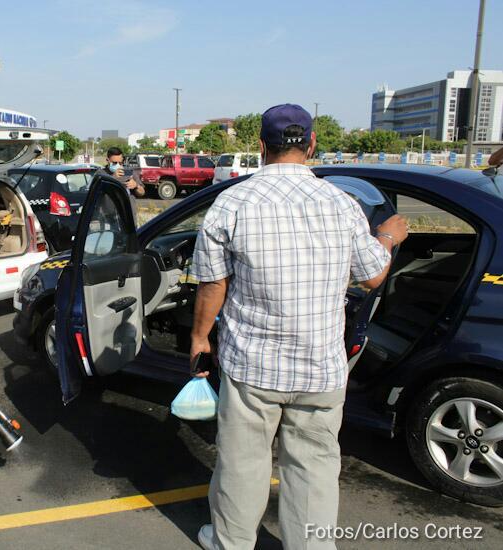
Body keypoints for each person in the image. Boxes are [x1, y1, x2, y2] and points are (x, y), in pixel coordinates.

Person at [191, 104, 408, 550]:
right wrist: (387, 236)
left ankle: (229, 542)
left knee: (241, 463)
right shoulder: (340, 204)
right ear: (310, 145)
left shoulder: (231, 202)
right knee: (312, 467)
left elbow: (213, 285)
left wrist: (199, 336)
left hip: (252, 365)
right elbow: (371, 276)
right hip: (320, 367)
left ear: (260, 147)